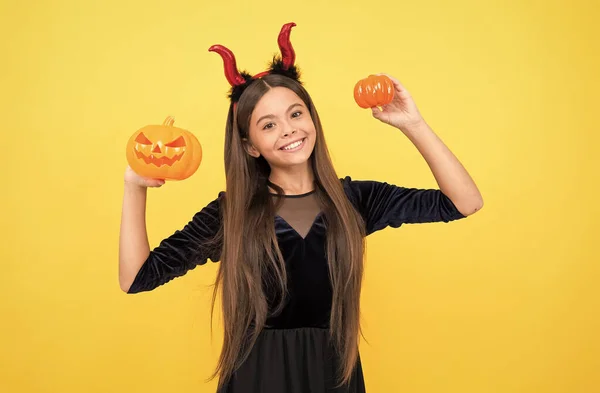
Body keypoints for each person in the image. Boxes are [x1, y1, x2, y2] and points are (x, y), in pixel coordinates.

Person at [118, 23, 483, 393]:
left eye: (295, 114)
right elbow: (136, 278)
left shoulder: (356, 200)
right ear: (250, 146)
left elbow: (464, 202)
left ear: (311, 117)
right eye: (268, 124)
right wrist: (134, 188)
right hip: (257, 378)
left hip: (332, 375)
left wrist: (413, 124)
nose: (289, 130)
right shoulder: (232, 213)